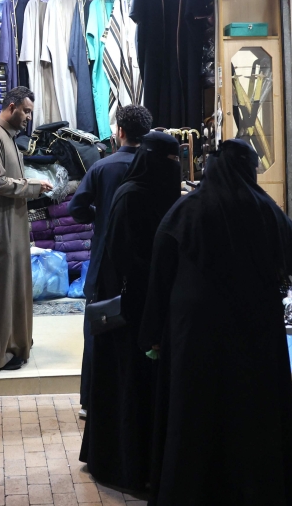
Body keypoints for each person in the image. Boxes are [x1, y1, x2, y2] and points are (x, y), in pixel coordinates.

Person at [140, 139, 292, 506]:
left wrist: (152, 332)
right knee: (252, 414)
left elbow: (160, 273)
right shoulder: (266, 209)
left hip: (195, 332)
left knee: (194, 413)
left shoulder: (186, 209)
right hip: (255, 331)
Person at [79, 131, 179, 494]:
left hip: (148, 308)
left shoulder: (162, 194)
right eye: (167, 160)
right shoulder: (132, 196)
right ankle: (122, 465)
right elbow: (123, 256)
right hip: (129, 309)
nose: (172, 168)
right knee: (127, 385)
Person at [68, 104, 152, 419]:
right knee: (143, 323)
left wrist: (101, 217)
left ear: (119, 132)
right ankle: (140, 396)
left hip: (107, 259)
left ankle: (92, 400)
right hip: (146, 260)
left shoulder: (104, 168)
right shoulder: (157, 167)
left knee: (99, 325)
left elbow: (77, 207)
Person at [0, 87, 53, 372]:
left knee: (11, 288)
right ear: (12, 107)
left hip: (9, 225)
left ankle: (12, 346)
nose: (29, 117)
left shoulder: (7, 137)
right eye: (26, 111)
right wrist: (33, 186)